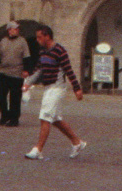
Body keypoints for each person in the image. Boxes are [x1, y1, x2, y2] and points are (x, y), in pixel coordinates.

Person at [21, 23, 86, 160]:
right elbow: (39, 69)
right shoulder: (42, 51)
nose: (37, 40)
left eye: (39, 37)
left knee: (45, 117)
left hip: (57, 88)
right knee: (55, 119)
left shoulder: (60, 51)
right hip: (48, 87)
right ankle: (77, 142)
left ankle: (38, 149)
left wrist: (77, 88)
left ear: (47, 36)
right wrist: (28, 83)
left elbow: (68, 70)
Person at [0, 21, 30, 126]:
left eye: (17, 28)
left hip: (16, 71)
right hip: (3, 71)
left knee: (15, 97)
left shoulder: (22, 41)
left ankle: (14, 118)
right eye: (14, 28)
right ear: (9, 30)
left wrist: (26, 70)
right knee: (0, 95)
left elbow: (26, 57)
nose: (17, 30)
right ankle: (4, 115)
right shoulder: (3, 41)